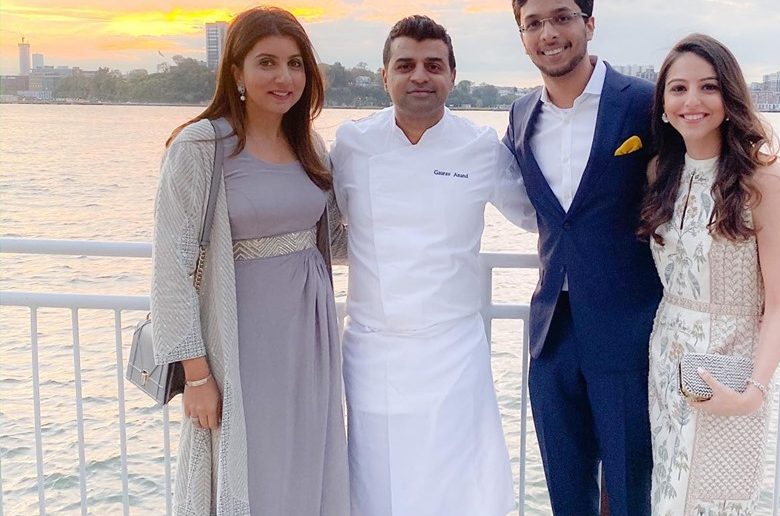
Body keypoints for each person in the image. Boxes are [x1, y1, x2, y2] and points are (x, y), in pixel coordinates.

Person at [329, 14, 537, 516]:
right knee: (374, 487)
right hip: (373, 350)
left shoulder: (480, 146)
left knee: (460, 488)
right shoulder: (352, 143)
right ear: (384, 75)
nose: (419, 76)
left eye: (433, 65)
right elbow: (317, 222)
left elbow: (537, 216)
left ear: (452, 76)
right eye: (406, 65)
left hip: (453, 350)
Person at [150, 6, 348, 514]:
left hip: (310, 339)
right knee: (251, 468)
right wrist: (197, 376)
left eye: (295, 63)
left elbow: (338, 239)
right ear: (236, 72)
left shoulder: (310, 146)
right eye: (267, 63)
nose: (285, 77)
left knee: (305, 462)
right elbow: (171, 270)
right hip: (239, 342)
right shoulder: (201, 147)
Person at [502, 1, 662, 514]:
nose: (548, 33)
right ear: (522, 36)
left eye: (562, 17)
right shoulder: (520, 114)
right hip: (552, 334)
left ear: (589, 24)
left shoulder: (644, 103)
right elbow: (543, 212)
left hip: (628, 330)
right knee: (566, 492)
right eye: (533, 23)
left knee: (631, 490)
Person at [638, 33, 780, 513]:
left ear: (729, 97)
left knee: (718, 502)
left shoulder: (762, 177)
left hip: (732, 369)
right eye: (678, 88)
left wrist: (753, 392)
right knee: (669, 496)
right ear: (663, 105)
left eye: (708, 87)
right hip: (668, 363)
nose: (692, 101)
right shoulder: (659, 172)